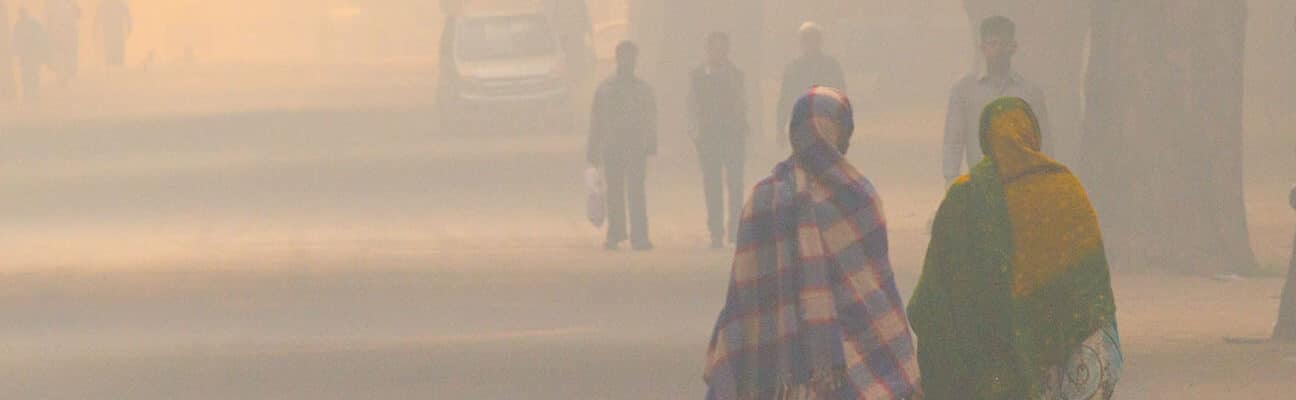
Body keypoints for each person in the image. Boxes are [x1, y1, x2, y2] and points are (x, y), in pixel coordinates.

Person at [705, 87, 920, 400]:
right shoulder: (859, 196)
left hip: (774, 366)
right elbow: (875, 292)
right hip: (851, 362)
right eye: (844, 130)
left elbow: (745, 294)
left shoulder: (763, 197)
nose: (847, 140)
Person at [909, 97, 1121, 399]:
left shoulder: (965, 195)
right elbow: (1090, 279)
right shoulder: (1064, 187)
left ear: (985, 139)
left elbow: (935, 293)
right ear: (1034, 134)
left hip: (984, 363)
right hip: (1055, 357)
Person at [942, 16, 1051, 187]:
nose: (998, 50)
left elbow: (1042, 142)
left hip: (1021, 184)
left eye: (1003, 44)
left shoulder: (1030, 93)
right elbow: (953, 139)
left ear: (1013, 47)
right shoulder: (963, 90)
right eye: (993, 44)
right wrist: (951, 181)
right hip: (979, 183)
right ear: (983, 48)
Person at [587, 41, 657, 251]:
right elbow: (596, 120)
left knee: (637, 192)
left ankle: (640, 236)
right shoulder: (605, 89)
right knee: (615, 192)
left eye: (632, 57)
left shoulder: (644, 90)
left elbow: (650, 117)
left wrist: (651, 143)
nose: (629, 61)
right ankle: (616, 234)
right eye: (625, 57)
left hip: (636, 147)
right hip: (612, 146)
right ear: (617, 59)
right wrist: (593, 150)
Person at [688, 32, 749, 249]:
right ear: (708, 50)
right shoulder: (697, 76)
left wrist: (743, 127)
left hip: (733, 136)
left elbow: (742, 103)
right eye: (715, 48)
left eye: (723, 48)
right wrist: (694, 133)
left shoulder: (736, 74)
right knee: (712, 185)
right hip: (709, 137)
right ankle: (715, 230)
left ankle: (734, 229)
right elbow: (691, 106)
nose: (719, 53)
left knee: (735, 184)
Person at [775, 22, 846, 148]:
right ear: (801, 43)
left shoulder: (831, 67)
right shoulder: (793, 68)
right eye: (806, 40)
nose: (810, 44)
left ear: (820, 42)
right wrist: (780, 127)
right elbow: (785, 99)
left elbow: (840, 96)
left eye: (813, 40)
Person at [13, 7, 47, 101]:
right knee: (29, 74)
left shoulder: (24, 24)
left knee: (30, 74)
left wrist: (16, 51)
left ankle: (31, 94)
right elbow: (15, 40)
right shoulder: (28, 24)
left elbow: (15, 40)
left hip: (31, 54)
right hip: (28, 55)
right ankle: (30, 94)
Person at [45, 0, 80, 84]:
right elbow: (79, 14)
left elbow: (48, 18)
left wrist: (49, 31)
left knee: (61, 54)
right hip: (66, 33)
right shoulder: (70, 3)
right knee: (66, 53)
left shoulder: (52, 4)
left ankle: (63, 75)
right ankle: (66, 73)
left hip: (59, 32)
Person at [96, 0, 131, 67]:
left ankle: (115, 64)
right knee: (113, 47)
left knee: (114, 47)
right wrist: (129, 27)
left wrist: (96, 29)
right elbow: (128, 15)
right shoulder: (118, 3)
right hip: (112, 31)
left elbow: (128, 15)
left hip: (112, 31)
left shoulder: (106, 4)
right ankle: (115, 64)